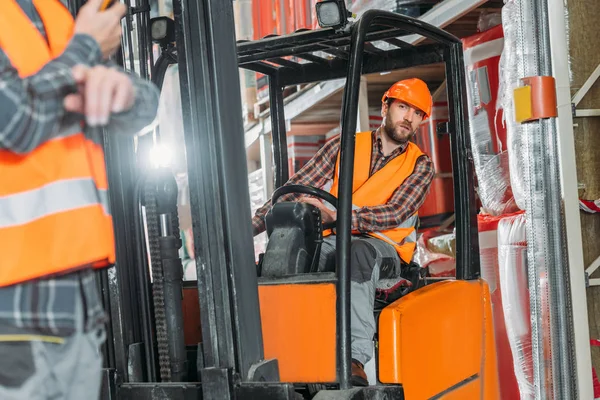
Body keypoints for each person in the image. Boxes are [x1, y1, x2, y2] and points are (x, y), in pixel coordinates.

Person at [0, 0, 159, 399]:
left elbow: (142, 103)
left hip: (76, 307)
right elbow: (15, 119)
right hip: (11, 314)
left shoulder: (45, 11)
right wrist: (86, 45)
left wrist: (123, 95)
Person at [252, 78, 435, 386]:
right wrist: (253, 224)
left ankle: (354, 360)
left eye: (417, 113)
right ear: (386, 106)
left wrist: (336, 218)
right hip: (337, 237)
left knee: (357, 252)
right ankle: (277, 351)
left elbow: (396, 212)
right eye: (403, 107)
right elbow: (297, 185)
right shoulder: (346, 146)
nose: (409, 118)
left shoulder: (420, 164)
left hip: (384, 249)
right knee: (289, 253)